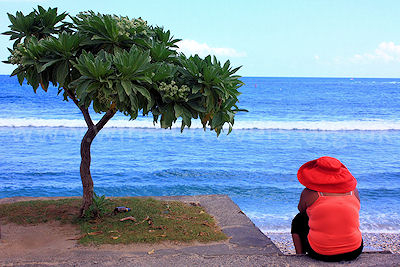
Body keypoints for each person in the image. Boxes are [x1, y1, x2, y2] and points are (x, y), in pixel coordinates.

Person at [291, 156, 363, 262]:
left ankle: (300, 256)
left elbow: (301, 210)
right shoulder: (353, 191)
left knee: (298, 220)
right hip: (354, 250)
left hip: (320, 253)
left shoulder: (309, 193)